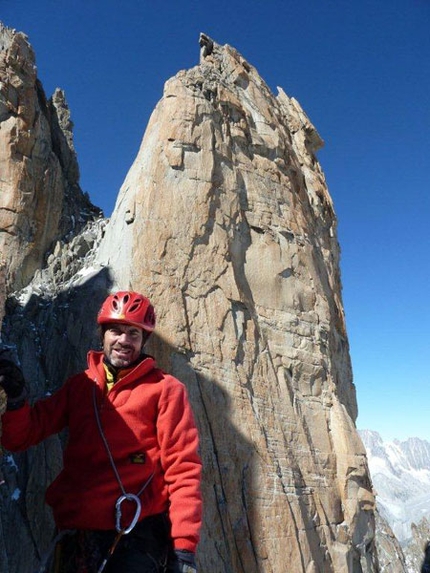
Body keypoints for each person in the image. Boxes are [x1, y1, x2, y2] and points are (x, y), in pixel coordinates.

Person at [0, 291, 202, 573]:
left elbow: (183, 469)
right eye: (116, 331)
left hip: (136, 539)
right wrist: (18, 399)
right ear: (102, 335)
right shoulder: (80, 387)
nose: (123, 341)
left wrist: (183, 549)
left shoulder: (166, 391)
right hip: (77, 537)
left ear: (144, 341)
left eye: (133, 333)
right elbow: (20, 437)